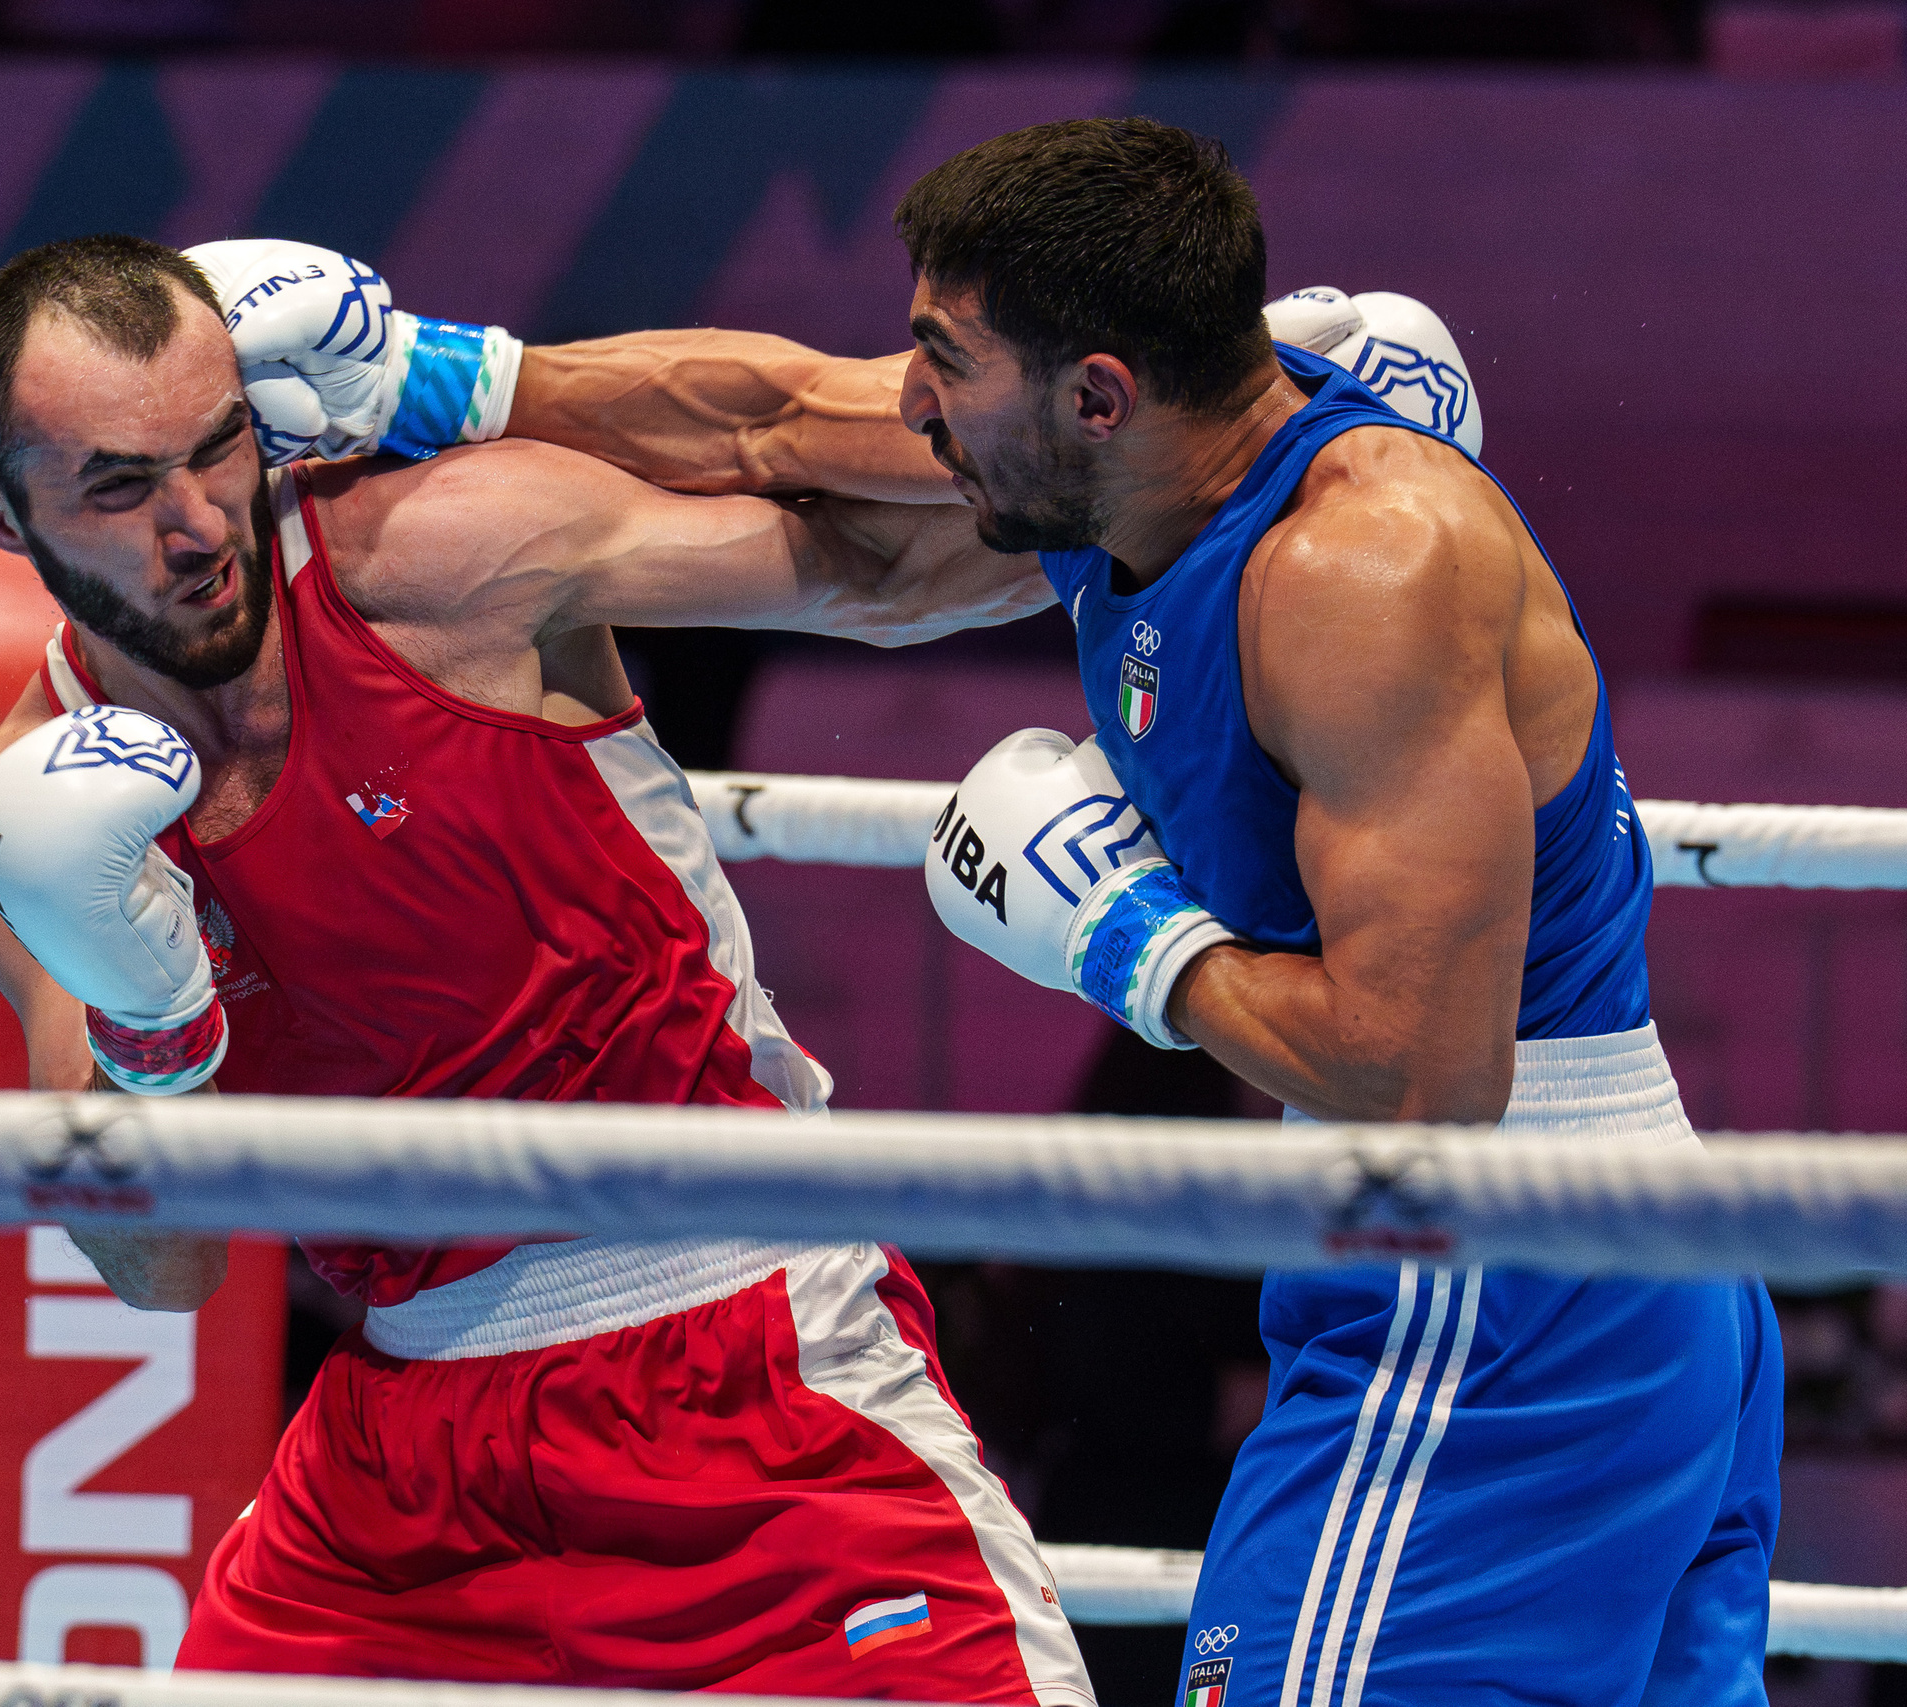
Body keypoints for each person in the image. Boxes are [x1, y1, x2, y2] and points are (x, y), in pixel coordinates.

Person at [296, 117, 1781, 1707]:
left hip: (1497, 1284)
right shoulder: (1129, 474)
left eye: (945, 360)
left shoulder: (1356, 577)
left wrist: (1134, 940)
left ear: (1098, 394)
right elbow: (773, 416)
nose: (909, 401)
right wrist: (435, 378)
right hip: (1584, 1276)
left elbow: (1427, 1080)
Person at [0, 234, 1089, 1703]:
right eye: (116, 487)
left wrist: (1200, 456)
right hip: (401, 1473)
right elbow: (164, 1269)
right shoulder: (13, 821)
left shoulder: (430, 555)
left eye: (217, 447)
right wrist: (147, 1017)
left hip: (744, 1358)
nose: (197, 522)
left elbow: (900, 567)